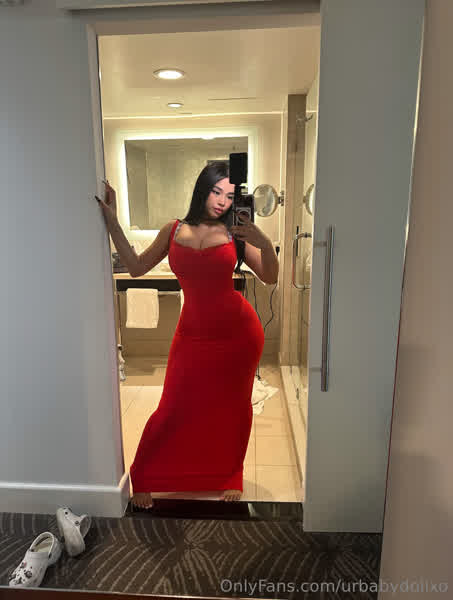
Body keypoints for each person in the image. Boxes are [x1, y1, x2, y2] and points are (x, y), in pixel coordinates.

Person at [96, 161, 279, 509]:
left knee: (231, 407)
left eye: (229, 195)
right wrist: (113, 222)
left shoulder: (237, 233)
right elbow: (135, 267)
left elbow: (270, 277)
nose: (222, 201)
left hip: (238, 335)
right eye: (216, 191)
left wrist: (264, 242)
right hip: (191, 334)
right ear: (203, 189)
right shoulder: (173, 229)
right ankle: (146, 474)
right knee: (173, 406)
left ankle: (228, 473)